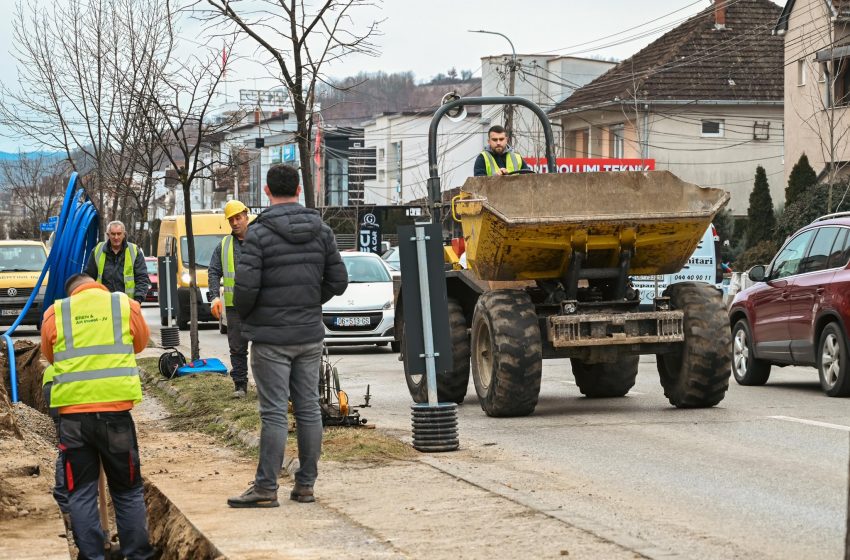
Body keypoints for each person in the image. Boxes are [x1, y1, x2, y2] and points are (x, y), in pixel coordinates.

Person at [227, 164, 348, 508]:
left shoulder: (258, 234)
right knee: (309, 408)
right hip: (309, 335)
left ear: (267, 192)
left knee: (275, 413)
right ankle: (306, 485)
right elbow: (338, 281)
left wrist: (253, 318)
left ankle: (266, 488)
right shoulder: (322, 231)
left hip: (271, 340)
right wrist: (311, 300)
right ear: (298, 190)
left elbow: (244, 292)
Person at [41, 273, 154, 560]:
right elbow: (140, 344)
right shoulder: (124, 305)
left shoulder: (56, 312)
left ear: (71, 292)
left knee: (80, 492)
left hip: (73, 419)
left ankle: (91, 555)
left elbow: (52, 356)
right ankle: (137, 554)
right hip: (115, 415)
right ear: (97, 285)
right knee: (127, 490)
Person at [208, 199, 251, 398]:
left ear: (246, 216)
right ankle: (240, 385)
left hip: (260, 305)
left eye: (238, 218)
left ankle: (271, 386)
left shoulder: (261, 240)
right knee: (237, 348)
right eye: (231, 219)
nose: (235, 223)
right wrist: (215, 297)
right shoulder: (224, 245)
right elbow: (214, 271)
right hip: (235, 307)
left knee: (267, 348)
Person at [85, 220, 151, 303]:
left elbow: (142, 278)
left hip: (128, 304)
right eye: (113, 234)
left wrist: (138, 300)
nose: (116, 237)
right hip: (103, 304)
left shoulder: (134, 251)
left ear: (124, 234)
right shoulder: (97, 251)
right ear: (108, 234)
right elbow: (89, 277)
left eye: (119, 234)